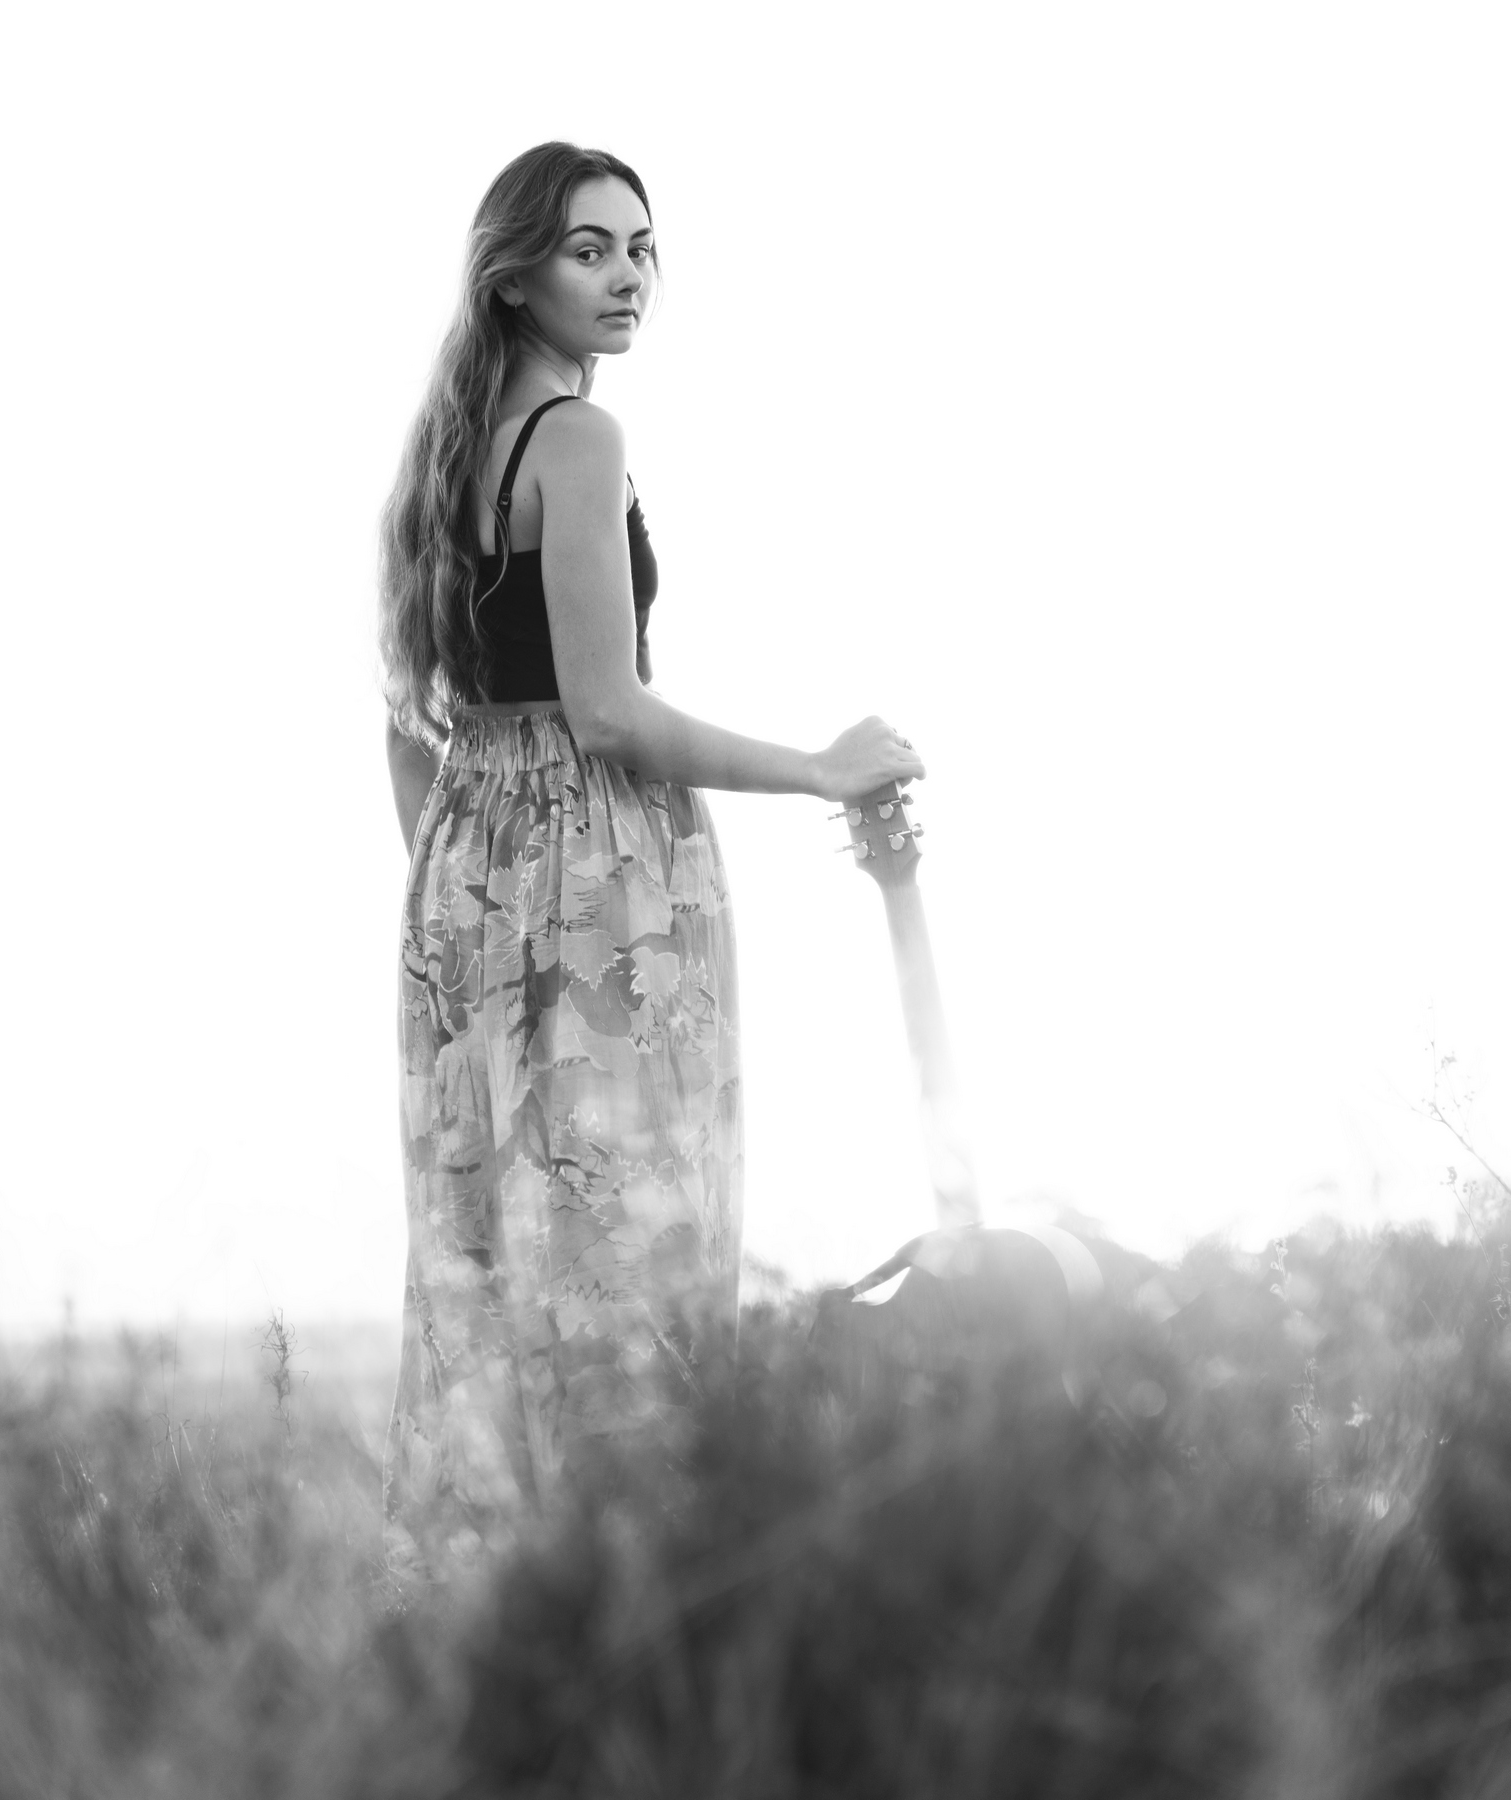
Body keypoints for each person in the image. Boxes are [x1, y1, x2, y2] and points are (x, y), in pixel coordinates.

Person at [376, 142, 924, 1556]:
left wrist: (470, 899)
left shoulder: (439, 453)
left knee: (489, 1273)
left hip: (464, 883)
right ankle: (639, 1596)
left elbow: (404, 727)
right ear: (515, 276)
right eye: (588, 250)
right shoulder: (576, 439)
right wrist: (819, 769)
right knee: (628, 1264)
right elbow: (609, 713)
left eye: (640, 248)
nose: (626, 277)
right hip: (599, 879)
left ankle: (493, 1602)